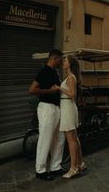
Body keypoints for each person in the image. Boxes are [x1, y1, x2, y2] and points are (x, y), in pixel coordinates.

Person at [29, 49, 65, 181]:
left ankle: (56, 166)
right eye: (60, 59)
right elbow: (32, 89)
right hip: (46, 108)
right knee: (45, 138)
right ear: (54, 58)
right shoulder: (44, 71)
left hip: (56, 108)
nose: (61, 62)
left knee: (59, 138)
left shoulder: (55, 72)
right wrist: (49, 91)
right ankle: (41, 170)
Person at [53, 55, 87, 179]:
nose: (63, 62)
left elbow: (73, 95)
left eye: (65, 61)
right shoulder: (70, 77)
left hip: (68, 107)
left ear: (70, 64)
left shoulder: (71, 78)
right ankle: (80, 163)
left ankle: (73, 169)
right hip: (68, 107)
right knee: (74, 138)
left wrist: (59, 87)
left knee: (71, 140)